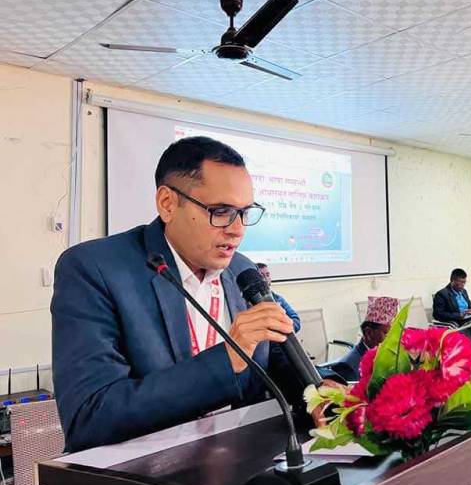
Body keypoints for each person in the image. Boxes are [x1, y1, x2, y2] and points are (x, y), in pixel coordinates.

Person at [52, 136, 333, 453]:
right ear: (167, 204)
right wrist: (226, 360)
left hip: (245, 459)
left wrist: (318, 388)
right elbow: (90, 418)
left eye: (245, 212)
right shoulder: (95, 269)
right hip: (145, 470)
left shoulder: (241, 269)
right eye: (221, 211)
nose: (237, 229)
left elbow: (275, 361)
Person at [328, 296, 398, 382]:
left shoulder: (388, 357)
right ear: (368, 333)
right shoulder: (348, 368)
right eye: (386, 334)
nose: (391, 339)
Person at [256, 263, 301, 332]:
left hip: (283, 335)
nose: (265, 278)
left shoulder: (278, 298)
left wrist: (283, 327)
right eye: (261, 275)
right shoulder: (247, 302)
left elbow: (296, 320)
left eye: (267, 275)